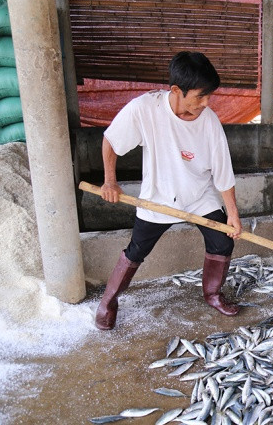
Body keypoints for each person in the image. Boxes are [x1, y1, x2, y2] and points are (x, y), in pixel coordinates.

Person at [95, 51, 243, 330]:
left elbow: (223, 171)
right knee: (137, 250)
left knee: (223, 242)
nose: (206, 103)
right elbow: (111, 141)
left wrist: (232, 215)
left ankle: (212, 294)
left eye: (209, 96)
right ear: (176, 90)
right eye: (200, 96)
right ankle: (108, 303)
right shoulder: (144, 108)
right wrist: (110, 181)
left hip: (199, 195)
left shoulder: (209, 120)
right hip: (158, 198)